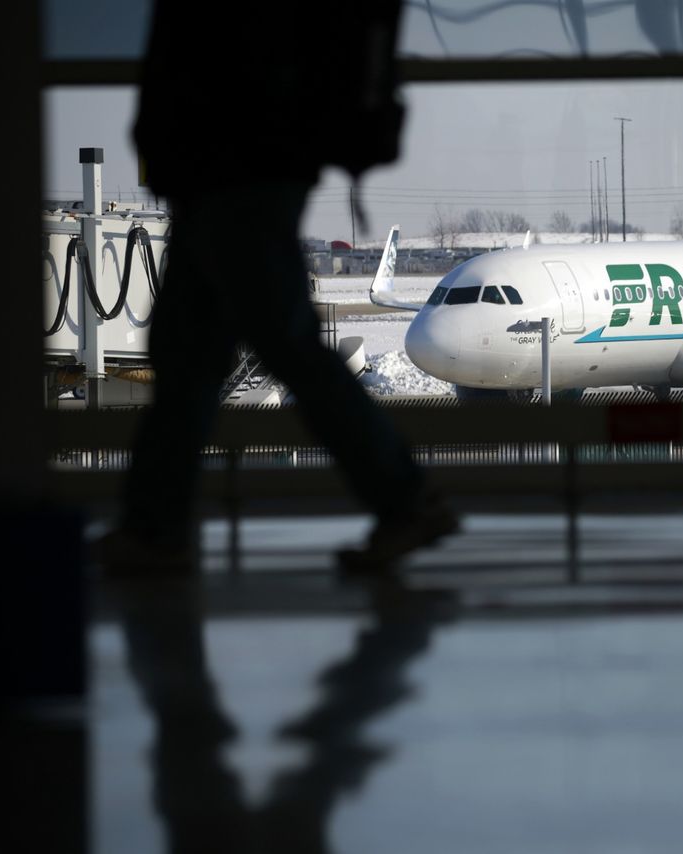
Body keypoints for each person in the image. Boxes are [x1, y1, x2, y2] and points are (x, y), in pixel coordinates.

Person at [94, 1, 457, 574]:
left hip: (233, 172)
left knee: (259, 349)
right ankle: (155, 526)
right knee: (200, 353)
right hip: (230, 173)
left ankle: (405, 498)